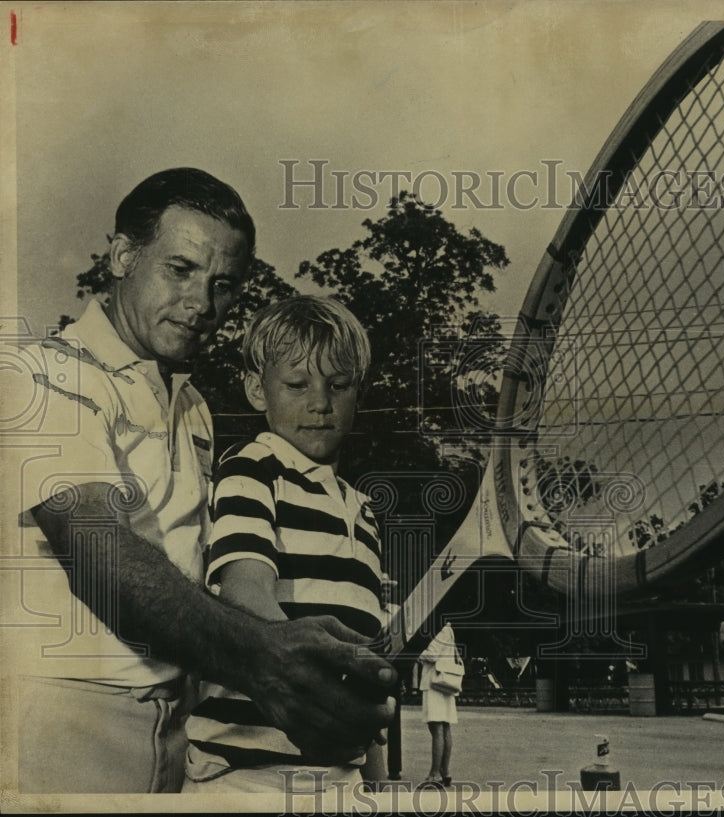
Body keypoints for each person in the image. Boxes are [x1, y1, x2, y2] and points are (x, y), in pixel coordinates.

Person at [13, 169, 396, 793]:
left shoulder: (193, 408)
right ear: (121, 256)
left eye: (224, 284)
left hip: (178, 738)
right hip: (65, 722)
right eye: (181, 269)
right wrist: (263, 658)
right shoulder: (41, 373)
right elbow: (95, 549)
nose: (202, 302)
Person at [182, 295, 388, 792]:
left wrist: (376, 779)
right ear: (257, 389)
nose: (320, 402)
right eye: (297, 384)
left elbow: (363, 665)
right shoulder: (253, 468)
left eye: (338, 385)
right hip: (245, 775)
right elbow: (244, 592)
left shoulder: (364, 510)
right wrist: (314, 686)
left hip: (341, 777)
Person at [418, 623, 462, 788]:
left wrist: (416, 654)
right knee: (444, 727)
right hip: (446, 682)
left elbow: (432, 655)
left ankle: (434, 774)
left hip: (435, 682)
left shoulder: (439, 629)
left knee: (436, 728)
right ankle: (445, 771)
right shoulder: (448, 628)